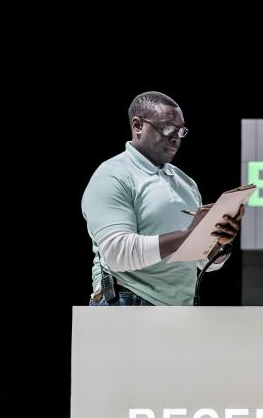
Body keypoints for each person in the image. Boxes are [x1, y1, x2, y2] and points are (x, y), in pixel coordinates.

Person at [82, 91, 244, 306]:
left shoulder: (185, 182)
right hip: (127, 302)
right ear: (138, 125)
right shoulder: (112, 175)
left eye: (180, 130)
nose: (176, 137)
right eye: (167, 128)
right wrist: (188, 235)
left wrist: (218, 244)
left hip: (180, 308)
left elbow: (200, 261)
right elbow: (117, 254)